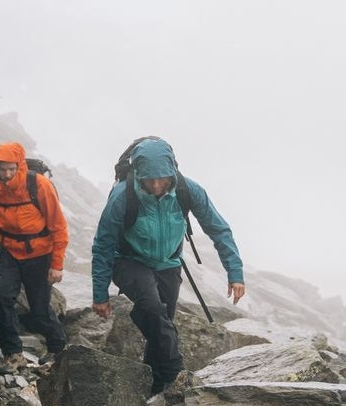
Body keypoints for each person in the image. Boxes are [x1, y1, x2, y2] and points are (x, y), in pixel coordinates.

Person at [91, 137, 245, 393]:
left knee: (160, 322)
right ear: (138, 172)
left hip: (169, 262)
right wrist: (100, 294)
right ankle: (177, 373)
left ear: (172, 171)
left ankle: (156, 385)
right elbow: (103, 244)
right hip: (129, 261)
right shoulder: (122, 196)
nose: (155, 185)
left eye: (161, 179)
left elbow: (219, 230)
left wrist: (235, 273)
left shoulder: (187, 190)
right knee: (152, 309)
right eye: (149, 179)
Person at [0, 142, 68, 368]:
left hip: (40, 253)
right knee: (1, 298)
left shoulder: (39, 185)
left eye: (12, 169)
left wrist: (57, 264)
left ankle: (58, 349)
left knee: (39, 310)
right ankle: (13, 353)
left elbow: (58, 226)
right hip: (9, 250)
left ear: (19, 165)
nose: (7, 174)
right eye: (2, 169)